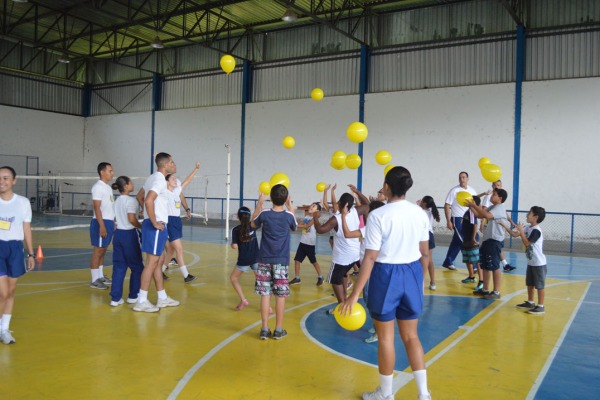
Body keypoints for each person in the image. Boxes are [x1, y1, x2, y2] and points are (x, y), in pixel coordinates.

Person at [341, 166, 431, 400]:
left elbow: (370, 257)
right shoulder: (419, 213)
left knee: (386, 338)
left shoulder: (379, 216)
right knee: (412, 337)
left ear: (388, 186)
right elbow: (424, 253)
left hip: (386, 274)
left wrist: (353, 295)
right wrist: (419, 281)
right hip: (411, 273)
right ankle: (423, 394)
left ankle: (386, 395)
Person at [133, 152, 180, 312]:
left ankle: (162, 298)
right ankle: (141, 300)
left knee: (159, 263)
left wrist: (147, 215)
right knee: (151, 263)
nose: (174, 164)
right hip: (155, 226)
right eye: (172, 162)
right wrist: (153, 221)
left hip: (157, 225)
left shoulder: (151, 178)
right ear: (165, 165)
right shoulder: (159, 179)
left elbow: (140, 196)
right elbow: (147, 200)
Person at [251, 185, 296, 340]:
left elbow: (252, 224)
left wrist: (259, 204)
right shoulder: (289, 216)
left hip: (264, 261)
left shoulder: (264, 214)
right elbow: (295, 227)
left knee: (265, 295)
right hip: (281, 262)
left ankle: (264, 329)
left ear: (270, 197)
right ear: (285, 199)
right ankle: (278, 330)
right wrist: (290, 207)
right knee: (280, 296)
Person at [340, 200, 385, 344]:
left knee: (370, 299)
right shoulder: (378, 226)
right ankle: (376, 326)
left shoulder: (370, 228)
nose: (366, 213)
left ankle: (379, 331)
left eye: (368, 210)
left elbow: (347, 234)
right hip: (374, 267)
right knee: (370, 298)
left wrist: (343, 217)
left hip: (370, 268)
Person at [0, 166, 35, 345]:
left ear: (14, 181)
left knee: (11, 291)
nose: (2, 182)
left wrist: (31, 253)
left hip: (15, 248)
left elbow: (26, 228)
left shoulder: (23, 202)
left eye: (6, 178)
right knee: (2, 292)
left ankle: (4, 329)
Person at [313, 192, 361, 314]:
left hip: (342, 257)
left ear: (341, 204)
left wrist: (315, 217)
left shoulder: (337, 219)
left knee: (335, 279)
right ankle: (344, 298)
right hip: (355, 254)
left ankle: (342, 308)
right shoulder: (355, 211)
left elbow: (320, 230)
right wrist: (358, 193)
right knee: (343, 275)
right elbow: (367, 205)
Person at [501, 206, 547, 315]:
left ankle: (540, 306)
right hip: (531, 262)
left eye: (529, 213)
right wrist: (504, 226)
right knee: (529, 283)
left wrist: (521, 232)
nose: (527, 215)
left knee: (539, 285)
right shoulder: (527, 227)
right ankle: (530, 302)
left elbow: (527, 243)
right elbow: (514, 234)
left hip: (539, 263)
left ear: (535, 217)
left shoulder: (536, 231)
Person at [467, 188, 509, 300]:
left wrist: (474, 205)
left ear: (500, 198)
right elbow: (479, 215)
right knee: (485, 265)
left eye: (494, 194)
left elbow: (486, 215)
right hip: (487, 240)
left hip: (494, 241)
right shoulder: (493, 207)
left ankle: (496, 292)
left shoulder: (500, 208)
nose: (492, 196)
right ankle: (485, 290)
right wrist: (471, 206)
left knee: (495, 266)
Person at [109, 176, 143, 306]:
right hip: (129, 235)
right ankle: (133, 295)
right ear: (127, 186)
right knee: (137, 266)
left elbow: (116, 218)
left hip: (118, 235)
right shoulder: (131, 201)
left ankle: (115, 298)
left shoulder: (116, 201)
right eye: (131, 183)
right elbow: (131, 219)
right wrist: (141, 227)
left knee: (119, 266)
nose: (133, 184)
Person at [163, 172, 198, 283]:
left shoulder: (176, 191)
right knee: (179, 249)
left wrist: (196, 169)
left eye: (175, 179)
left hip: (177, 221)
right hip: (169, 222)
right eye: (172, 179)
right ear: (167, 182)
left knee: (171, 251)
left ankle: (160, 270)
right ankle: (186, 275)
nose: (175, 180)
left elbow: (187, 180)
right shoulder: (164, 193)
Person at [442, 171, 478, 270]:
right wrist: (449, 221)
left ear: (467, 179)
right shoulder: (454, 190)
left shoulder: (472, 191)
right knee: (464, 240)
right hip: (457, 218)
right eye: (460, 177)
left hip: (469, 219)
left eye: (463, 177)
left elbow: (475, 204)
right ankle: (474, 265)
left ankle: (448, 261)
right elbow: (447, 205)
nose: (462, 179)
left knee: (457, 241)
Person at [89, 162, 115, 289]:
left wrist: (112, 222)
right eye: (110, 171)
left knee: (103, 251)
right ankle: (94, 280)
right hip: (101, 222)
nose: (112, 173)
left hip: (108, 222)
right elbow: (97, 208)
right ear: (102, 172)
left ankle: (100, 276)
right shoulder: (97, 187)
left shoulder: (108, 188)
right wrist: (102, 226)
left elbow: (109, 207)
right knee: (98, 251)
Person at [481, 180, 517, 272]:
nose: (497, 186)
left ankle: (504, 264)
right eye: (495, 185)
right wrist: (482, 223)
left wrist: (511, 221)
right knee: (491, 247)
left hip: (497, 229)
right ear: (492, 186)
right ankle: (500, 264)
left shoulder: (500, 200)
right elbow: (484, 212)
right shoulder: (489, 197)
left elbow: (504, 212)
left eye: (499, 185)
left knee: (498, 247)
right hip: (489, 224)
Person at [230, 206, 260, 311]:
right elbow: (256, 214)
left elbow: (234, 246)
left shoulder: (236, 230)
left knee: (233, 278)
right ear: (249, 216)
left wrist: (232, 244)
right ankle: (267, 306)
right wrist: (260, 201)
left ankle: (243, 300)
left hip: (244, 259)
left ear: (239, 217)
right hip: (256, 257)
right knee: (260, 281)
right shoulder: (253, 225)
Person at [289, 202, 324, 286]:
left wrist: (296, 225)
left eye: (314, 206)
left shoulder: (315, 218)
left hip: (310, 244)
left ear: (317, 211)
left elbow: (307, 226)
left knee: (313, 261)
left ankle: (320, 276)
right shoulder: (307, 216)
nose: (311, 207)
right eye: (311, 205)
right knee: (297, 260)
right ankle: (297, 278)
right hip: (303, 242)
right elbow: (303, 224)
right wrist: (298, 223)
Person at [460, 196, 484, 290]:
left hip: (472, 239)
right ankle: (471, 277)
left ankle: (481, 281)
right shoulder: (467, 211)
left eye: (471, 200)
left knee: (477, 261)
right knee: (467, 259)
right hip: (466, 239)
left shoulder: (472, 212)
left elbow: (475, 225)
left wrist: (473, 237)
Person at [417, 195, 439, 290]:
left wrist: (418, 207)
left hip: (423, 236)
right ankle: (433, 282)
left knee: (420, 259)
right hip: (430, 236)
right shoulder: (431, 212)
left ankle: (420, 280)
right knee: (429, 260)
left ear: (424, 203)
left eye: (421, 201)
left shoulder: (421, 212)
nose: (420, 201)